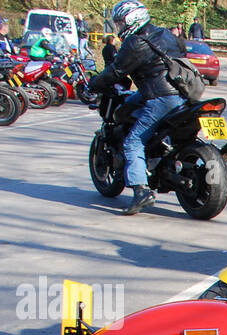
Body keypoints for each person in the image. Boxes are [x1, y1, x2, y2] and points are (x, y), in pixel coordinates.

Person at [90, 0, 188, 215]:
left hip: (159, 96)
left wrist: (93, 84)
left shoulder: (135, 42)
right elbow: (182, 53)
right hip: (183, 93)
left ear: (131, 20)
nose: (118, 26)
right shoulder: (165, 34)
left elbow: (117, 71)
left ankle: (141, 191)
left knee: (133, 141)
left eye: (120, 22)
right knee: (128, 105)